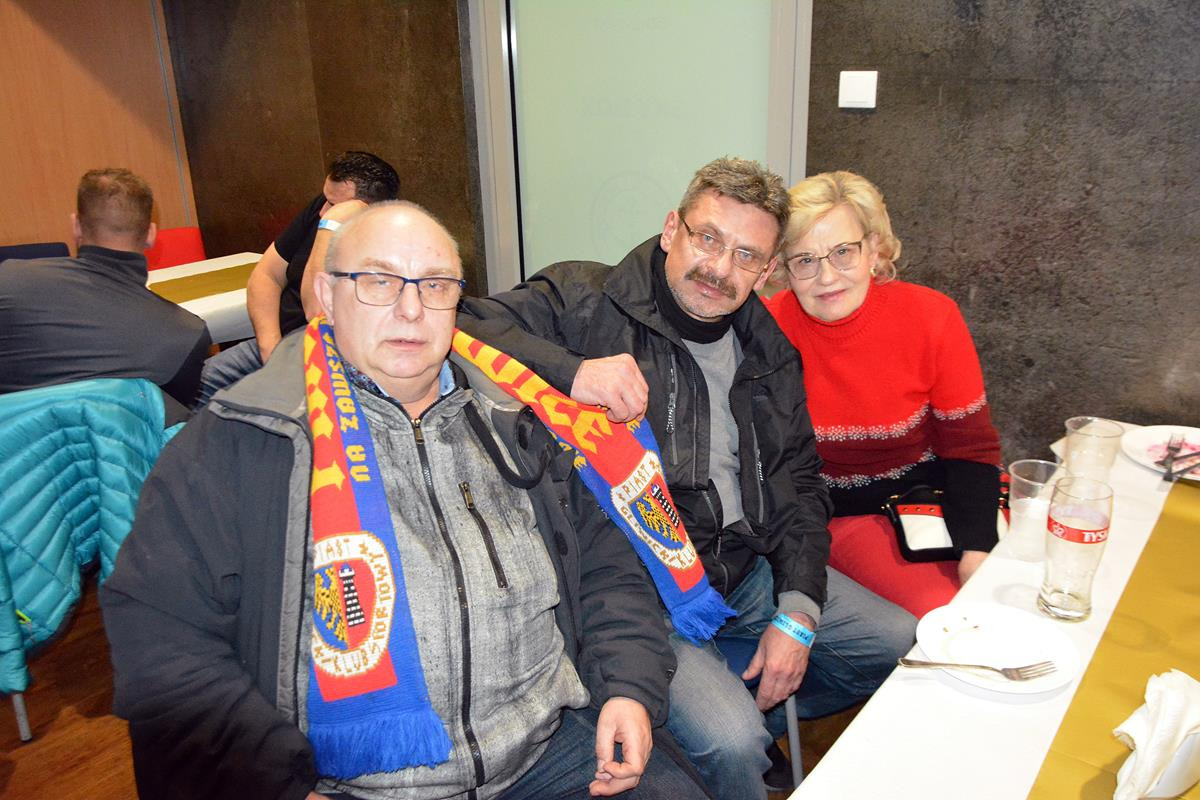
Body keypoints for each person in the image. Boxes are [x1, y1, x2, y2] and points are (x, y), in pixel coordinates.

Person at [100, 201, 708, 800]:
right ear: (327, 295)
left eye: (436, 285)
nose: (412, 309)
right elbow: (164, 642)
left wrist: (627, 688)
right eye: (379, 281)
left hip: (547, 750)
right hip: (353, 784)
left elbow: (607, 564)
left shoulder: (520, 416)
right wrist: (273, 784)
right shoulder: (245, 438)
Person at [458, 157, 916, 798]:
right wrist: (572, 371)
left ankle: (726, 723)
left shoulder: (768, 348)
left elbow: (800, 481)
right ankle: (718, 741)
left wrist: (797, 613)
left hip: (746, 567)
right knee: (732, 744)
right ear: (672, 228)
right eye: (708, 238)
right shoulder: (585, 298)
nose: (720, 268)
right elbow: (457, 317)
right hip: (645, 589)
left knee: (898, 642)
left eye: (746, 255)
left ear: (766, 272)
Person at [764, 170, 1002, 617]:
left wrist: (977, 548)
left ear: (874, 248)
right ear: (784, 269)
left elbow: (970, 448)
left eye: (843, 252)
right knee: (947, 616)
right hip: (841, 516)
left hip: (936, 495)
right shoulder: (768, 332)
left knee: (1015, 588)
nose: (827, 276)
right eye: (805, 260)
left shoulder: (932, 316)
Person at [0, 168, 210, 418]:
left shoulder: (9, 279)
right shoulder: (188, 335)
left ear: (76, 225)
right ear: (151, 234)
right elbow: (166, 421)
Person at [196, 151, 400, 403]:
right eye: (325, 199)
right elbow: (266, 275)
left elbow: (315, 312)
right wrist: (270, 350)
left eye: (333, 205)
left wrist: (330, 227)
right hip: (278, 345)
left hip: (322, 355)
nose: (322, 211)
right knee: (197, 382)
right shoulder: (322, 209)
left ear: (366, 210)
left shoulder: (384, 246)